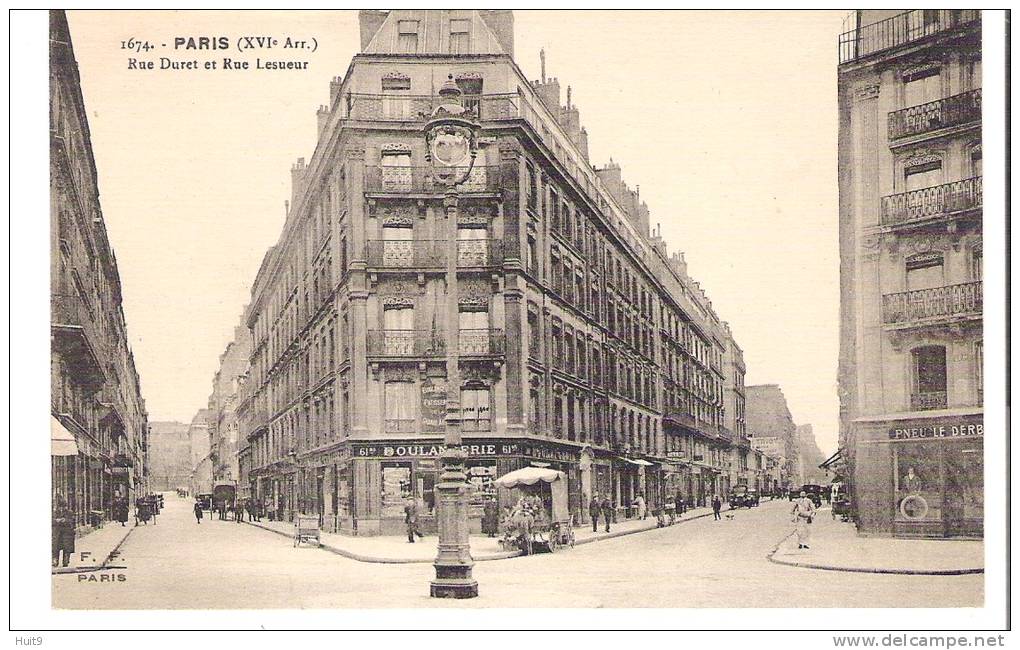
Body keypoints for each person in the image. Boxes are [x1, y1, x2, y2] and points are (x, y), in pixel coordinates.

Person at [52, 494, 75, 568]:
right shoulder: (54, 513)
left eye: (63, 507)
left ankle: (66, 560)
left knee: (66, 548)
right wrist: (56, 520)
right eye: (60, 507)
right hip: (57, 533)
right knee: (55, 548)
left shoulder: (69, 512)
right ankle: (55, 561)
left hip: (66, 533)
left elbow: (72, 522)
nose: (61, 509)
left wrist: (65, 520)